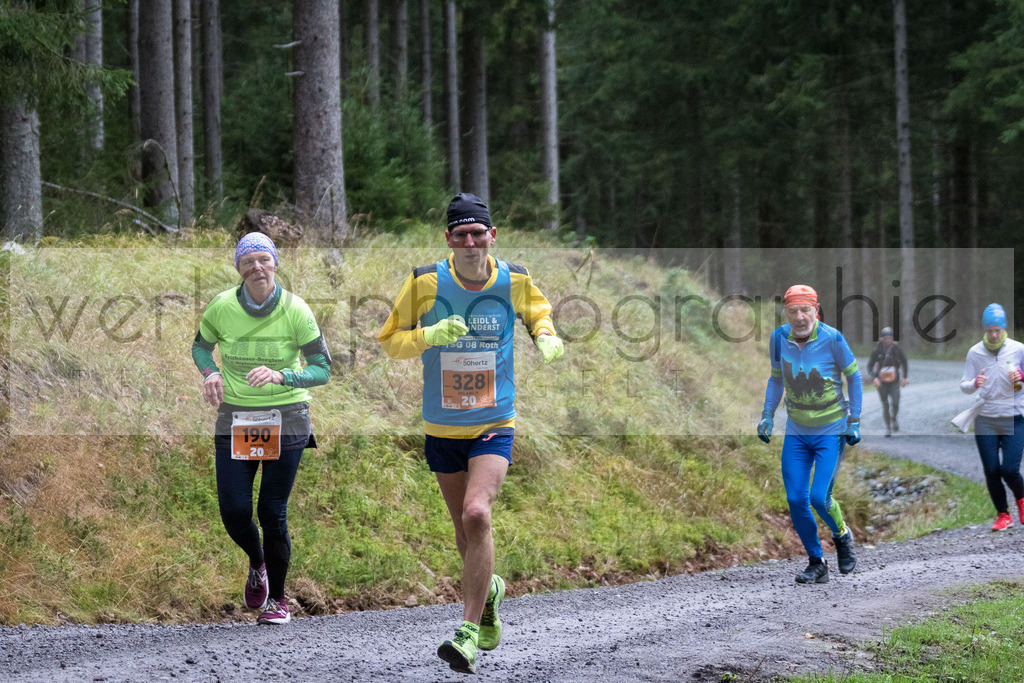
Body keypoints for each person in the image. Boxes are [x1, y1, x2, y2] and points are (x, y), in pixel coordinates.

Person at [377, 193, 564, 674]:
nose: (469, 241)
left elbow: (538, 310)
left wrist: (545, 334)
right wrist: (428, 337)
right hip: (441, 425)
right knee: (465, 531)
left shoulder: (514, 278)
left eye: (477, 232)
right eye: (460, 233)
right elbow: (389, 340)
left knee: (477, 514)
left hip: (493, 422)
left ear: (492, 235)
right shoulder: (425, 281)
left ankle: (465, 632)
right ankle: (491, 590)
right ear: (448, 239)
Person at [191, 232, 331, 624]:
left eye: (263, 260)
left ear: (275, 264)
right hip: (237, 416)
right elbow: (200, 347)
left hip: (287, 416)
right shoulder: (221, 306)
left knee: (272, 511)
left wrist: (283, 375)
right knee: (234, 510)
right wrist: (210, 371)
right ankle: (258, 562)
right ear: (239, 268)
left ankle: (279, 601)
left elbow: (322, 369)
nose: (257, 267)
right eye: (248, 261)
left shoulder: (295, 309)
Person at [757, 284, 862, 584]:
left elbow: (854, 377)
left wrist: (854, 420)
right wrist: (767, 415)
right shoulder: (779, 338)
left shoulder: (833, 339)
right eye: (793, 311)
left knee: (819, 497)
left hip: (831, 430)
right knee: (795, 499)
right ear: (786, 313)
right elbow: (776, 379)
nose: (800, 317)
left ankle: (842, 535)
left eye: (806, 310)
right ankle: (817, 562)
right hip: (797, 432)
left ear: (816, 310)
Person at [959, 303, 1024, 532]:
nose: (994, 335)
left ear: (1004, 328)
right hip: (985, 417)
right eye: (989, 330)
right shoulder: (975, 352)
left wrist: (1022, 376)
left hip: (1014, 416)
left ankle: (1022, 500)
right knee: (991, 469)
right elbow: (964, 385)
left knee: (1010, 469)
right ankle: (1003, 515)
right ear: (984, 330)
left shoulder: (1018, 349)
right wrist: (974, 383)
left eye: (997, 330)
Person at [867, 327, 909, 437]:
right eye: (885, 338)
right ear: (882, 339)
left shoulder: (897, 350)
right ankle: (888, 428)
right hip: (882, 382)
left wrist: (904, 377)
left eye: (889, 337)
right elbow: (870, 365)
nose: (887, 340)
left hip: (894, 381)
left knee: (895, 403)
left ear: (892, 338)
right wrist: (874, 377)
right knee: (885, 405)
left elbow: (904, 362)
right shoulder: (877, 351)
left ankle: (894, 418)